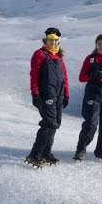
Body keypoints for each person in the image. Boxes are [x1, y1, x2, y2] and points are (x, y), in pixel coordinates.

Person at [25, 27, 70, 168]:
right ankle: (35, 154)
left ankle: (46, 153)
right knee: (49, 123)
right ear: (46, 39)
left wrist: (66, 93)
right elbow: (34, 75)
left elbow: (64, 77)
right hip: (46, 94)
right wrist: (35, 93)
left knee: (55, 123)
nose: (53, 42)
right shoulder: (39, 54)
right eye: (51, 40)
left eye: (56, 40)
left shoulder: (58, 56)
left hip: (59, 94)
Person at [73, 34, 102, 162]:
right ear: (95, 45)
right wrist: (92, 76)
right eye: (99, 43)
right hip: (93, 92)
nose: (101, 46)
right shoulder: (90, 59)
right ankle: (81, 149)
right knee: (91, 123)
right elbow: (82, 77)